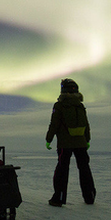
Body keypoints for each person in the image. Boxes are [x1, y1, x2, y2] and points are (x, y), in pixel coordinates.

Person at [45, 78, 96, 207]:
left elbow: (54, 124)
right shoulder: (80, 105)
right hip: (81, 143)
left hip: (65, 143)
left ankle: (58, 198)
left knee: (62, 169)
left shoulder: (60, 105)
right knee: (84, 169)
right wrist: (87, 139)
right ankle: (89, 197)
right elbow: (86, 124)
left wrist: (48, 139)